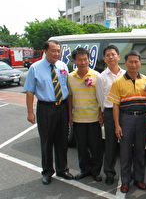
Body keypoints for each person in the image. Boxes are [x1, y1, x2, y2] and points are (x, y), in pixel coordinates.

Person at [24, 40, 74, 185]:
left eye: (58, 51)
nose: (57, 53)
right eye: (53, 50)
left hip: (62, 107)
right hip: (46, 108)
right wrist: (29, 112)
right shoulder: (35, 68)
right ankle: (47, 171)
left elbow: (67, 89)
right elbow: (29, 92)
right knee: (46, 141)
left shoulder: (63, 65)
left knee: (62, 140)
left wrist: (69, 112)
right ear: (45, 51)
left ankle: (62, 169)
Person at [108, 50, 146, 193]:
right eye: (130, 62)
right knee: (125, 152)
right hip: (125, 119)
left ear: (140, 63)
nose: (133, 64)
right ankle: (125, 181)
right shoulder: (117, 82)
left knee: (140, 151)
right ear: (125, 63)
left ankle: (139, 179)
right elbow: (115, 105)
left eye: (136, 61)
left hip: (141, 119)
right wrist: (117, 125)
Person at [68, 47, 103, 182]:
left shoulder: (96, 76)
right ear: (75, 61)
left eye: (85, 59)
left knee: (96, 147)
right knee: (81, 148)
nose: (83, 62)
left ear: (89, 59)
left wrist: (101, 114)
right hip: (78, 119)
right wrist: (70, 115)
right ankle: (85, 170)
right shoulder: (70, 77)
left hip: (94, 118)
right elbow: (70, 97)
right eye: (80, 60)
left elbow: (101, 97)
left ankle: (95, 171)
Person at [95, 45, 126, 185]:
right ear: (104, 59)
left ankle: (127, 173)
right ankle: (109, 172)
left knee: (126, 144)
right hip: (108, 112)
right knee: (110, 144)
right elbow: (101, 98)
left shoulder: (126, 74)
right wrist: (102, 113)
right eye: (107, 55)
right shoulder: (101, 77)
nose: (111, 57)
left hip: (125, 112)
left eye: (113, 54)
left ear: (118, 56)